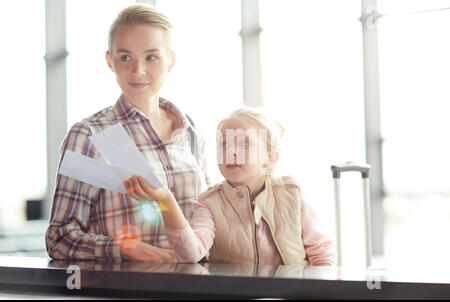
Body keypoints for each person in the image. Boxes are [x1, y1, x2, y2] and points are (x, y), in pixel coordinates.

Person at [45, 4, 209, 261]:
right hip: (125, 290)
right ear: (110, 61)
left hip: (196, 289)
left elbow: (206, 215)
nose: (138, 71)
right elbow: (59, 238)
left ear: (171, 61)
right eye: (125, 57)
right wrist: (122, 248)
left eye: (151, 57)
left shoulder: (190, 132)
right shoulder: (88, 135)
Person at [124, 107, 336, 266]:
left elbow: (321, 251)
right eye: (224, 143)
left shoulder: (292, 193)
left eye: (244, 143)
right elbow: (191, 253)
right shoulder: (208, 202)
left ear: (269, 158)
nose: (232, 151)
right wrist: (165, 200)